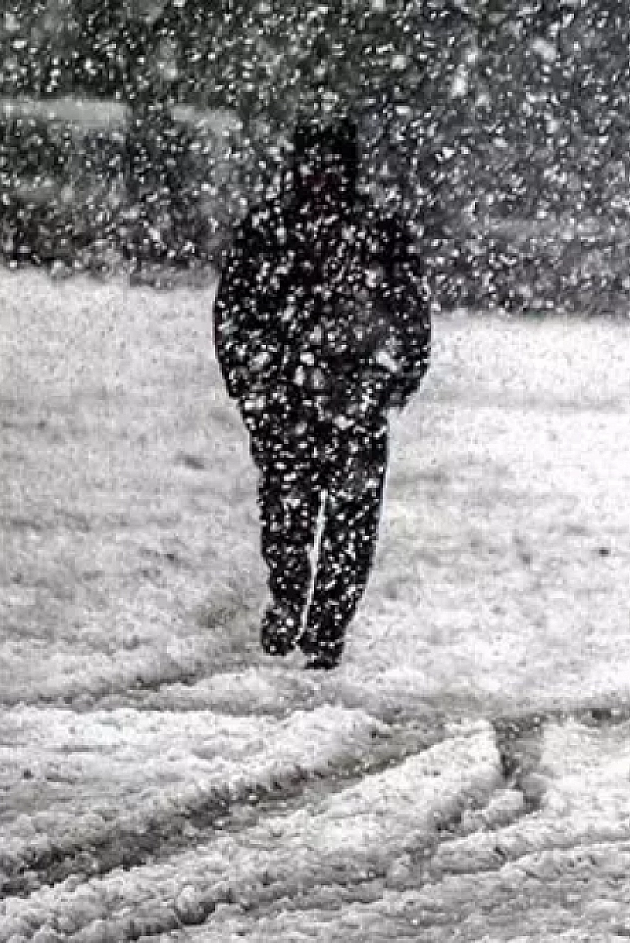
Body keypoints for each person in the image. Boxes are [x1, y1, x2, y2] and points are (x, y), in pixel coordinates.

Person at [214, 116, 431, 670]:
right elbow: (234, 316)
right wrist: (253, 384)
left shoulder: (364, 233)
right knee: (293, 514)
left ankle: (324, 624)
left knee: (342, 522)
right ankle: (293, 602)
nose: (322, 178)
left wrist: (388, 383)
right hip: (298, 400)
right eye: (316, 166)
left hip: (345, 401)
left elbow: (410, 319)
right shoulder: (276, 232)